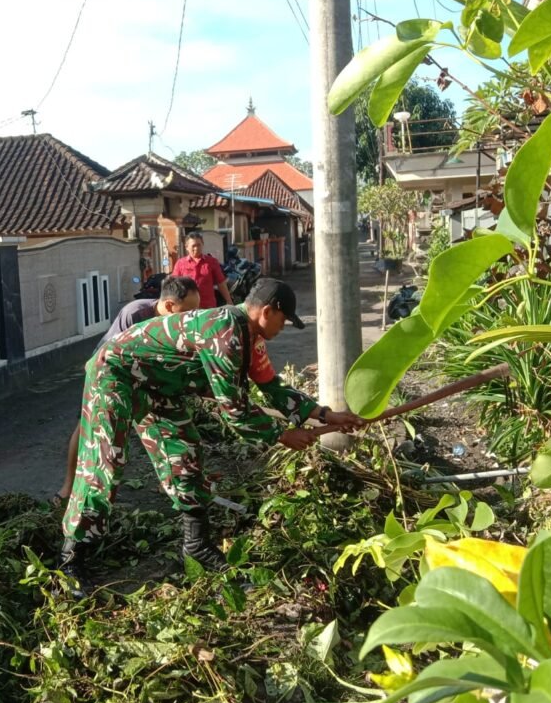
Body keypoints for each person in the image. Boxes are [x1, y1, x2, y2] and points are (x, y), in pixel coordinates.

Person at [59, 277, 365, 594]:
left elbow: (272, 387)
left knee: (184, 453)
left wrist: (326, 415)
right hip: (115, 373)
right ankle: (70, 562)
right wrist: (282, 434)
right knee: (106, 461)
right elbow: (234, 407)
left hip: (156, 384)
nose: (283, 327)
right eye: (284, 319)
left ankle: (197, 546)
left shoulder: (252, 338)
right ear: (268, 311)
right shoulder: (226, 328)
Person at [53, 275, 201, 506]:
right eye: (188, 311)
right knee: (86, 428)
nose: (191, 318)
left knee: (165, 428)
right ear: (171, 305)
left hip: (144, 379)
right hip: (107, 376)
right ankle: (70, 487)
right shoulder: (136, 313)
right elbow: (108, 356)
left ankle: (170, 484)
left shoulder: (176, 326)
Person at [170, 232, 233, 309]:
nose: (196, 248)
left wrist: (229, 300)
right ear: (186, 247)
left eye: (198, 245)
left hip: (208, 306)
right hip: (187, 307)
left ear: (202, 244)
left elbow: (221, 283)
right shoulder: (180, 263)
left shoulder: (212, 262)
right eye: (193, 246)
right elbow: (175, 286)